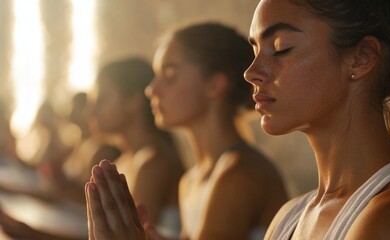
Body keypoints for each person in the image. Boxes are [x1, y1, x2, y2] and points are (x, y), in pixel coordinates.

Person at [86, 0, 390, 239]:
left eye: (280, 48)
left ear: (361, 58)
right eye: (254, 52)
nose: (251, 73)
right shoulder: (290, 217)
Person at [87, 23, 288, 240]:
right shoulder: (191, 180)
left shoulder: (240, 174)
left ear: (214, 85)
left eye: (170, 73)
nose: (151, 89)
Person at [92, 58, 185, 235]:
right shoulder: (124, 159)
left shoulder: (154, 163)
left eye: (102, 99)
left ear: (133, 101)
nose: (92, 110)